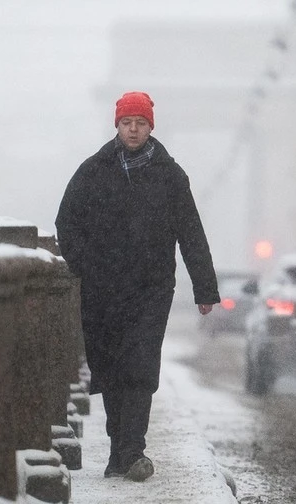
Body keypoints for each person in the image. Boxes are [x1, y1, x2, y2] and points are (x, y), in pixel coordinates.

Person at [55, 91, 219, 481]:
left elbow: (191, 232)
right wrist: (87, 267)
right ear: (117, 125)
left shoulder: (170, 175)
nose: (133, 129)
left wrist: (205, 289)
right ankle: (120, 450)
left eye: (140, 123)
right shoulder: (93, 171)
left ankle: (133, 449)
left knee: (140, 365)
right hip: (104, 290)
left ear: (150, 127)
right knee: (111, 367)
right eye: (127, 122)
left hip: (151, 289)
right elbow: (67, 223)